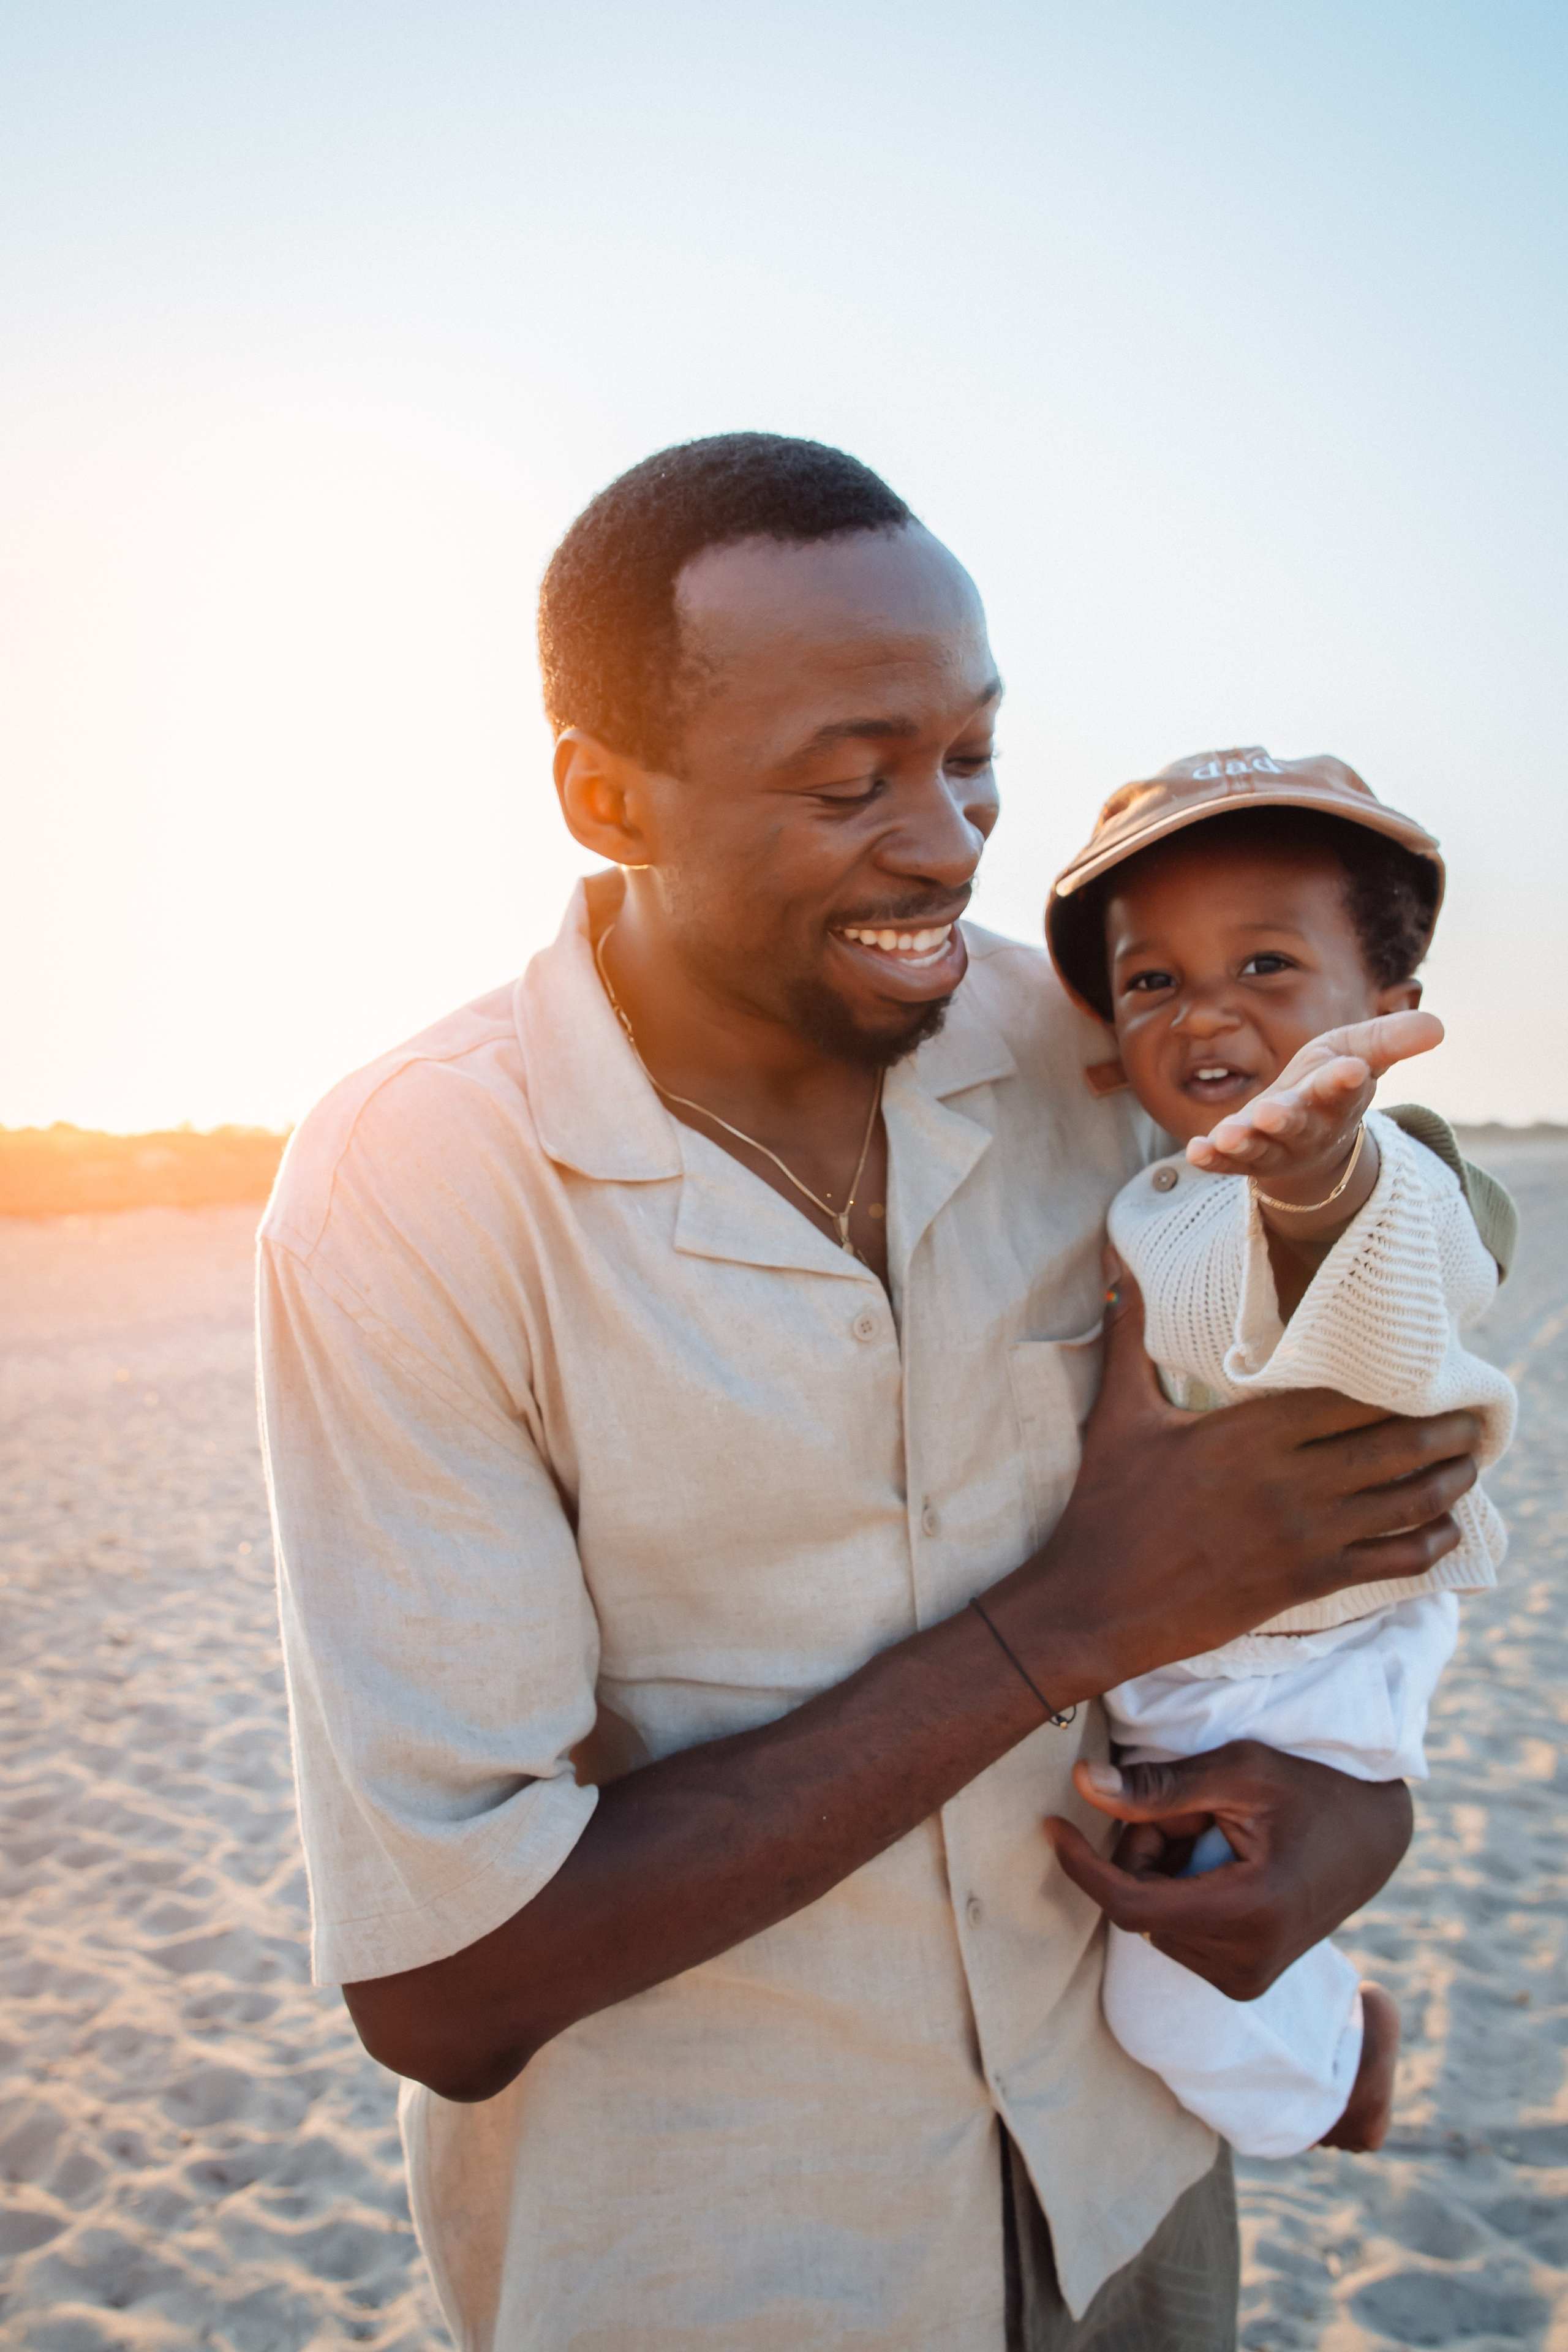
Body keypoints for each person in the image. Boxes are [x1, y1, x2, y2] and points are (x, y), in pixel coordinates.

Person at [257, 437, 1490, 2352]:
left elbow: (1356, 1518)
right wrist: (1071, 1616)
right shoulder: (414, 1186)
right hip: (723, 2271)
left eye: (972, 756)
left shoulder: (1095, 1045)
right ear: (605, 797)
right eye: (851, 782)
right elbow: (445, 1987)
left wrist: (1345, 1839)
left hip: (1129, 2190)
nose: (948, 841)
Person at [1043, 749, 1517, 2166]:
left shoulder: (1395, 1170)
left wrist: (1315, 1172)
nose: (1205, 1013)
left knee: (1168, 2002)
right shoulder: (1162, 1181)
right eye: (1151, 982)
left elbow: (1392, 1264)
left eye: (1264, 963)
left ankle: (1340, 2078)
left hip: (1300, 1664)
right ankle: (1311, 2021)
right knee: (1180, 1898)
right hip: (1203, 1660)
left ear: (1385, 1009)